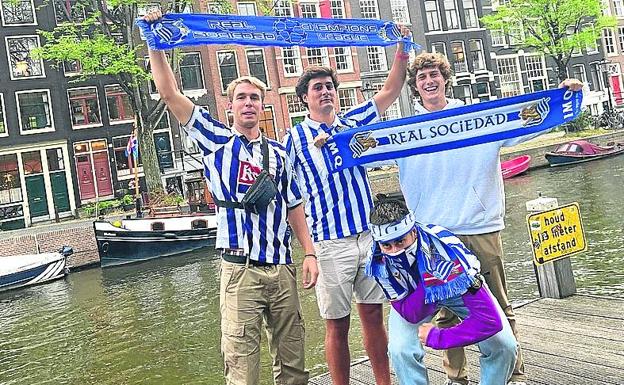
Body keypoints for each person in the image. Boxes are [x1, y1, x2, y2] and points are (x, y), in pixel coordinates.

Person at [144, 11, 319, 385]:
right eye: (242, 98)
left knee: (293, 361)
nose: (249, 104)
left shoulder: (280, 153)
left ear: (263, 103)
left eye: (255, 98)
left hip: (282, 268)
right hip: (239, 271)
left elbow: (294, 205)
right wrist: (154, 43)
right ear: (230, 106)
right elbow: (170, 94)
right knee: (242, 366)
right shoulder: (216, 142)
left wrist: (310, 253)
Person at [390, 51, 584, 385]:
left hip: (480, 225)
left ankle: (514, 373)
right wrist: (330, 138)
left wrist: (564, 95)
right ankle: (457, 377)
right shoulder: (402, 132)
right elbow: (360, 153)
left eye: (434, 74)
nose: (429, 81)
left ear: (445, 78)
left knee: (497, 302)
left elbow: (527, 122)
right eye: (422, 77)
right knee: (447, 309)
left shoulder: (478, 117)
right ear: (414, 87)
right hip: (434, 236)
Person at [283, 31, 410, 385]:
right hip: (329, 243)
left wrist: (402, 48)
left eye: (329, 86)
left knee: (373, 314)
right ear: (304, 99)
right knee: (337, 323)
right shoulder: (293, 140)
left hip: (369, 237)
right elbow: (287, 194)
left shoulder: (352, 126)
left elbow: (390, 91)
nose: (325, 92)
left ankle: (384, 381)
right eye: (317, 88)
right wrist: (305, 249)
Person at [366, 195, 518, 385]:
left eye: (400, 241)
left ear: (413, 232)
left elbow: (489, 321)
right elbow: (410, 314)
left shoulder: (450, 255)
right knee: (400, 349)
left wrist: (438, 337)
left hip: (456, 287)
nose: (395, 250)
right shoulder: (378, 262)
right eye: (386, 245)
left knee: (504, 345)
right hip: (417, 294)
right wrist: (429, 282)